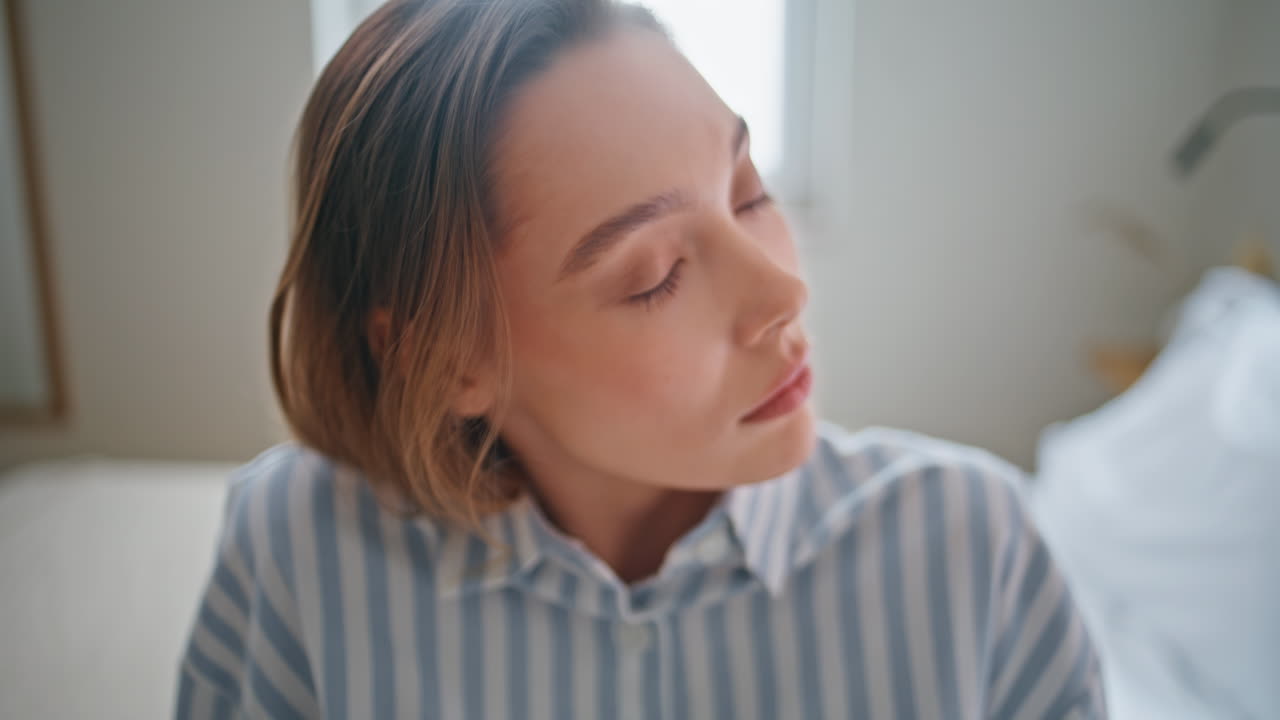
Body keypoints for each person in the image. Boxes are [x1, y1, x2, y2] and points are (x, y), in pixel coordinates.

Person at [175, 0, 1105, 717]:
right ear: (448, 359)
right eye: (655, 276)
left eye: (748, 193)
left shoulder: (977, 551)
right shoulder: (296, 549)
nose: (784, 294)